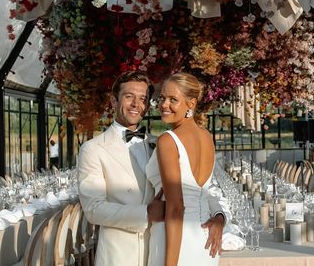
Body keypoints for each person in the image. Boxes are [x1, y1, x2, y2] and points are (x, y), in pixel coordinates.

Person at [78, 71, 224, 266]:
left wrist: (219, 217)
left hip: (166, 246)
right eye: (128, 96)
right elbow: (93, 209)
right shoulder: (93, 149)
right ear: (114, 101)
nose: (136, 104)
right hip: (123, 257)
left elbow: (198, 189)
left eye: (143, 99)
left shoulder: (162, 143)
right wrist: (146, 213)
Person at [146, 72, 223, 266]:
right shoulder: (207, 137)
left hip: (173, 241)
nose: (164, 104)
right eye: (162, 98)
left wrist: (170, 264)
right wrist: (220, 217)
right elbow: (207, 192)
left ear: (191, 104)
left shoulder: (168, 140)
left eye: (173, 99)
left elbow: (175, 207)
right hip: (203, 241)